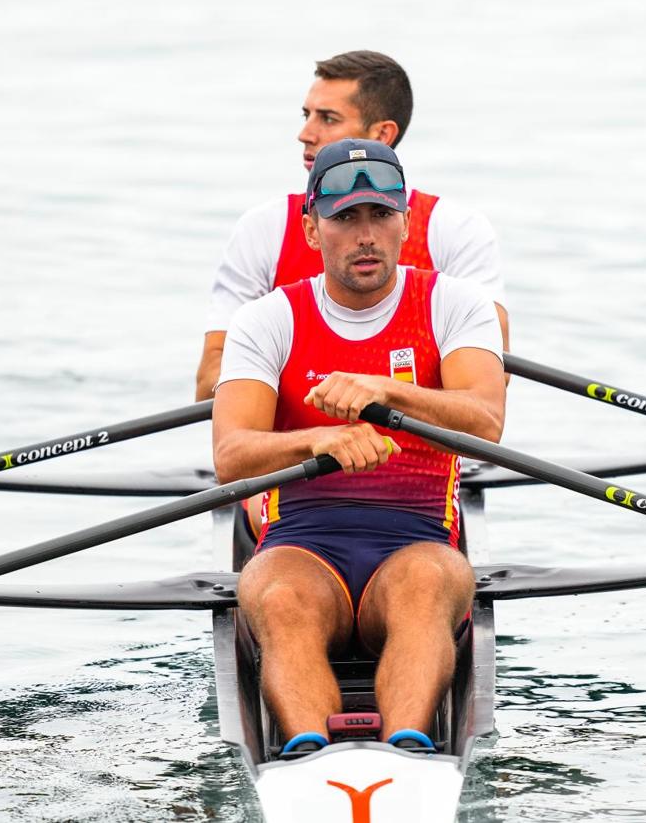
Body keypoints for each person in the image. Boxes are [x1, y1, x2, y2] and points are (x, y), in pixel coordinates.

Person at [212, 138, 505, 756]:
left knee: (429, 585)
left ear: (405, 223)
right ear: (313, 230)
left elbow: (485, 421)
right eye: (345, 218)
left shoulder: (455, 304)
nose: (365, 234)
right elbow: (231, 455)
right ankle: (307, 757)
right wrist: (318, 438)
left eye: (380, 215)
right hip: (301, 545)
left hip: (419, 538)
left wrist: (387, 393)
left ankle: (408, 753)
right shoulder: (269, 320)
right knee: (280, 599)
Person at [196, 49, 508, 402]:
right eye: (306, 115)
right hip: (300, 445)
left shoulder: (455, 229)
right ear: (311, 231)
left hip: (424, 448)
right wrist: (321, 394)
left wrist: (380, 391)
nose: (305, 133)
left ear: (380, 136)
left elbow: (492, 377)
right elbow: (210, 383)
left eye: (328, 119)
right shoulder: (262, 229)